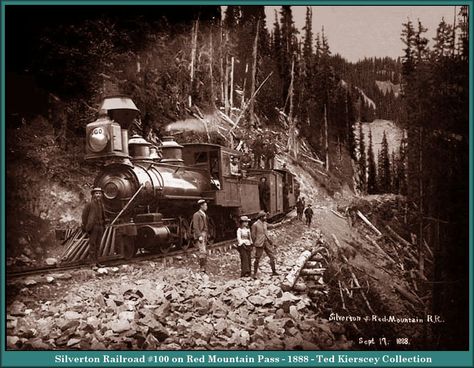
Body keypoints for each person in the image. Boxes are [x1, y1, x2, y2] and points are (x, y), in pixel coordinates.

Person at [82, 187, 106, 268]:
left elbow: (103, 216)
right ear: (93, 195)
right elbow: (84, 216)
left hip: (100, 226)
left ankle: (97, 262)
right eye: (96, 193)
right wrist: (86, 227)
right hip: (93, 227)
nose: (98, 195)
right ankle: (92, 264)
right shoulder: (89, 204)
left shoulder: (101, 204)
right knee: (92, 245)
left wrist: (104, 224)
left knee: (98, 246)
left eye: (99, 193)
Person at [251, 211, 278, 277]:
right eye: (264, 216)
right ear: (261, 217)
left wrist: (281, 223)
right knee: (257, 258)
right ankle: (254, 274)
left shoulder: (265, 223)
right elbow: (253, 235)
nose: (265, 217)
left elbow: (272, 226)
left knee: (272, 256)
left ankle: (274, 271)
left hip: (266, 242)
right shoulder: (255, 224)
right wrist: (254, 243)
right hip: (259, 243)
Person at [192, 199, 209, 273]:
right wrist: (199, 235)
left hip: (204, 233)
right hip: (201, 234)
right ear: (201, 206)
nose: (206, 207)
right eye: (205, 205)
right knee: (202, 251)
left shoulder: (203, 214)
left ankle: (204, 267)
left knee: (204, 251)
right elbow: (195, 226)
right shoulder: (196, 215)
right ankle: (202, 268)